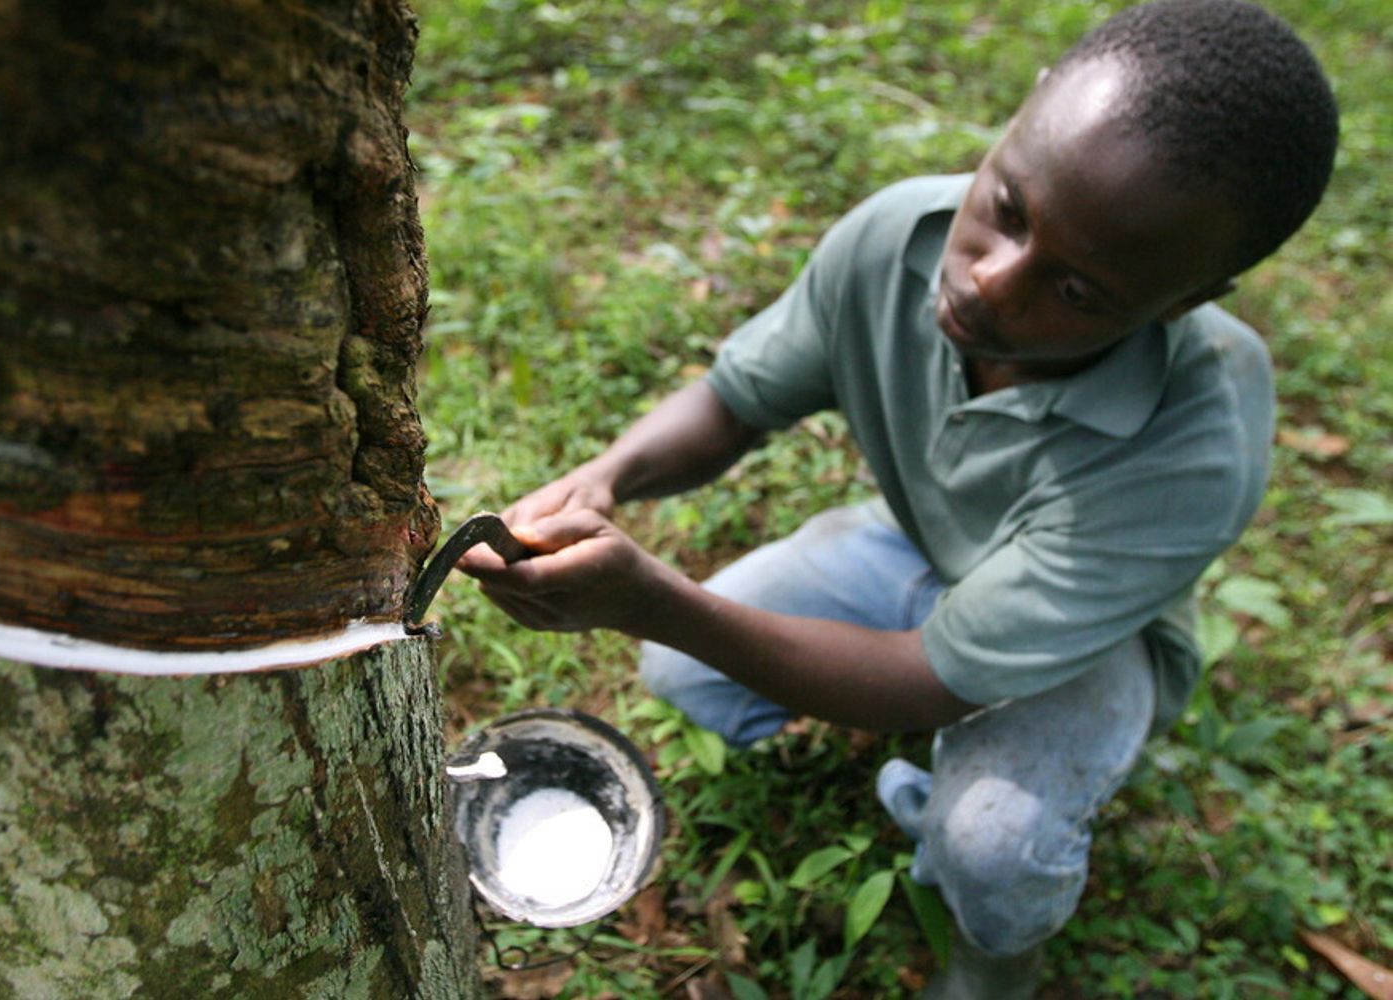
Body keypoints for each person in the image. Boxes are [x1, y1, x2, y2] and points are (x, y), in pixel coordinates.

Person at [458, 0, 1338, 994]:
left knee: (995, 842)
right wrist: (602, 480)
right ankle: (915, 740)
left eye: (1078, 295)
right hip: (923, 547)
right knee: (683, 672)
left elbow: (927, 678)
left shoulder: (1195, 447)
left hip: (1087, 646)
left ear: (1181, 303)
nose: (994, 286)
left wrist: (654, 597)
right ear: (1027, 111)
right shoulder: (899, 235)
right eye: (1008, 206)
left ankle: (997, 957)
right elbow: (737, 401)